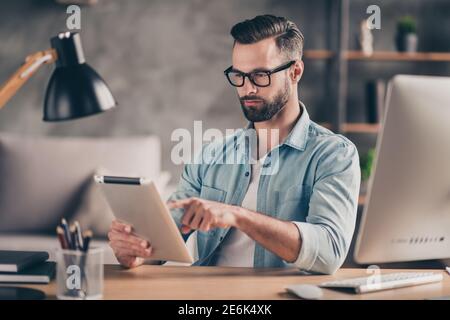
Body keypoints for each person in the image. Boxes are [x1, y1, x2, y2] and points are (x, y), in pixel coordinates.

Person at [108, 14, 360, 274]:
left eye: (260, 75)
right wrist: (136, 250)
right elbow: (165, 239)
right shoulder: (212, 154)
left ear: (295, 72)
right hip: (208, 297)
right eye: (238, 75)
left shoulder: (333, 155)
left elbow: (329, 252)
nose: (247, 88)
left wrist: (238, 216)